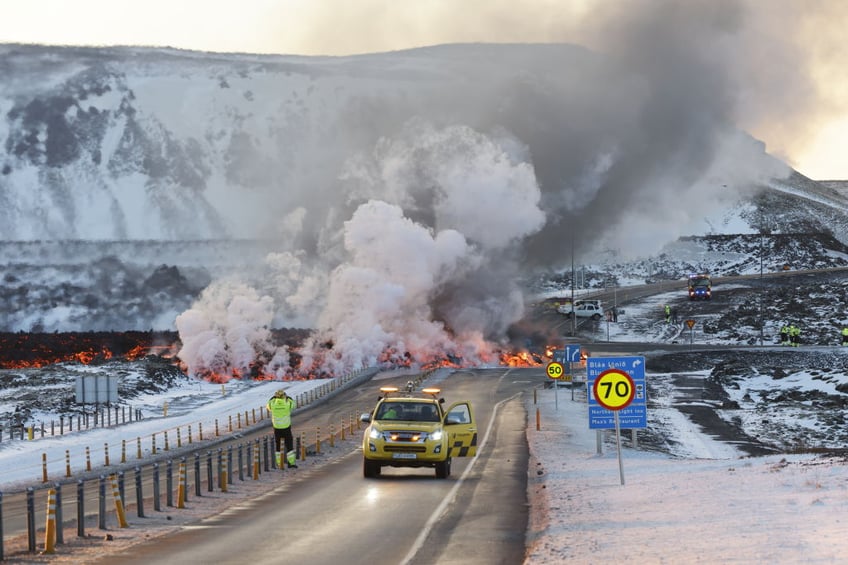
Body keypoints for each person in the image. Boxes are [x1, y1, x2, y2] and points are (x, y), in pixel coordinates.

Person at [267, 389, 297, 468]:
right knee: (289, 445)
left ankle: (279, 463)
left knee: (278, 445)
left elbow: (268, 406)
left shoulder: (273, 404)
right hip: (286, 427)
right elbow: (294, 405)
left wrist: (273, 398)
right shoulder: (287, 403)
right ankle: (291, 463)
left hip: (277, 427)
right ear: (284, 396)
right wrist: (288, 397)